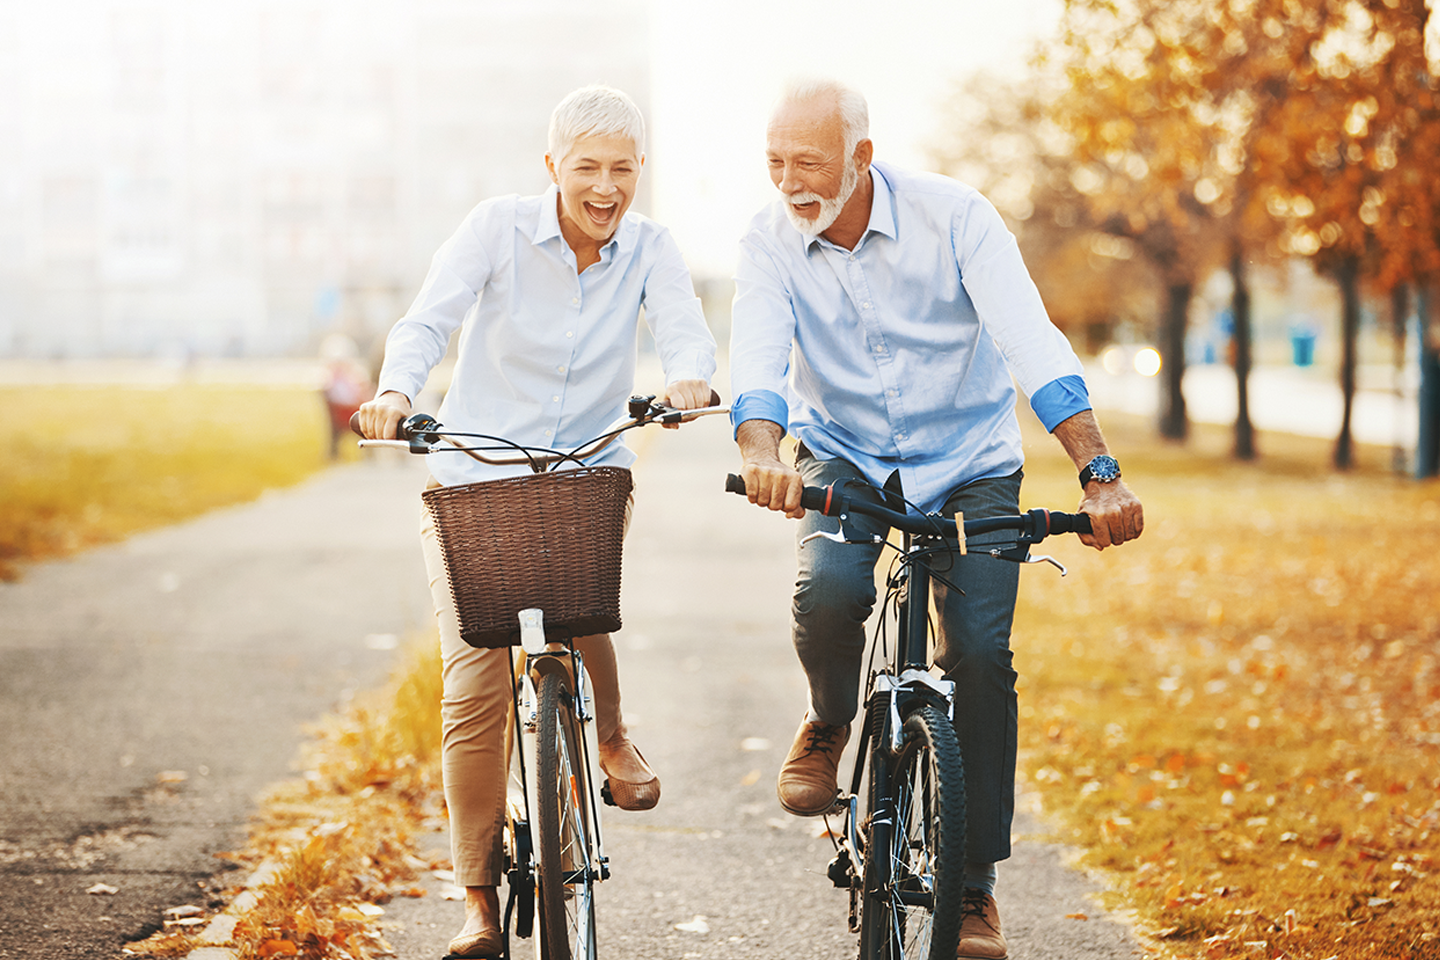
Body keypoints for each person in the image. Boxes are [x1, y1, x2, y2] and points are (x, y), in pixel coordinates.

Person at [729, 78, 1143, 960]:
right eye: (776, 163)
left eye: (809, 162)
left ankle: (974, 892)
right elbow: (760, 357)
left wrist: (1097, 471)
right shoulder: (768, 243)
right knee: (831, 590)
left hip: (971, 463)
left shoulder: (956, 218)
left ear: (860, 158)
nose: (791, 182)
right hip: (845, 454)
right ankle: (830, 720)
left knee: (982, 655)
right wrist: (761, 454)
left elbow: (1030, 339)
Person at [357, 85, 716, 960]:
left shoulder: (652, 247)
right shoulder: (497, 229)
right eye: (586, 167)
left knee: (579, 602)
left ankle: (614, 737)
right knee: (475, 685)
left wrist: (689, 381)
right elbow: (430, 317)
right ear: (552, 168)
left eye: (622, 170)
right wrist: (397, 391)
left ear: (640, 174)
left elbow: (685, 333)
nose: (604, 186)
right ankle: (478, 903)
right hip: (476, 476)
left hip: (587, 469)